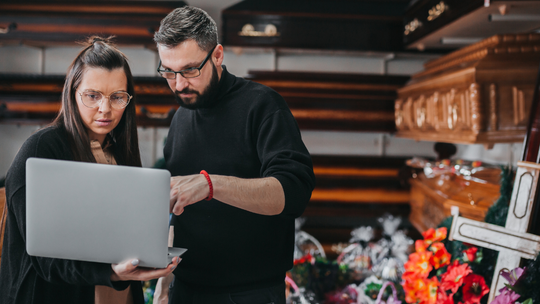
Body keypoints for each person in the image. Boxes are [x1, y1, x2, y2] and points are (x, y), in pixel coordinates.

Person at [153, 6, 316, 304]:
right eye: (168, 71)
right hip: (185, 289)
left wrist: (210, 185)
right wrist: (164, 286)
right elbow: (176, 213)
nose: (179, 84)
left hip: (250, 293)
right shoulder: (180, 118)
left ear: (217, 55)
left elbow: (295, 192)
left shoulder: (263, 105)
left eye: (190, 70)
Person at [0, 36, 180, 304]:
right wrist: (111, 273)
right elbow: (44, 259)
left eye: (117, 97)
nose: (105, 109)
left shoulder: (119, 150)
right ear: (73, 93)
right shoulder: (41, 149)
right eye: (92, 96)